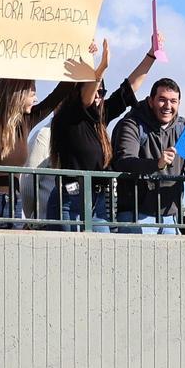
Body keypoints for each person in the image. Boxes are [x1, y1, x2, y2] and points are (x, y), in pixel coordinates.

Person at [47, 37, 161, 233]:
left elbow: (130, 87)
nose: (100, 96)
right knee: (68, 258)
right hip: (69, 201)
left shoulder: (101, 115)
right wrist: (100, 68)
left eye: (103, 92)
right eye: (96, 91)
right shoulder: (69, 115)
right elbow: (86, 94)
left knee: (101, 254)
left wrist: (152, 54)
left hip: (97, 200)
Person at [0, 21, 66, 229]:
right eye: (32, 91)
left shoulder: (26, 122)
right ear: (18, 93)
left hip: (15, 204)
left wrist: (84, 56)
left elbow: (58, 95)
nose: (36, 97)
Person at [111, 77, 185, 234]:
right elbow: (124, 162)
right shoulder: (132, 124)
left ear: (179, 103)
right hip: (135, 215)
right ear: (150, 101)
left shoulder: (183, 127)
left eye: (173, 101)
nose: (168, 106)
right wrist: (157, 164)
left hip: (170, 217)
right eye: (162, 100)